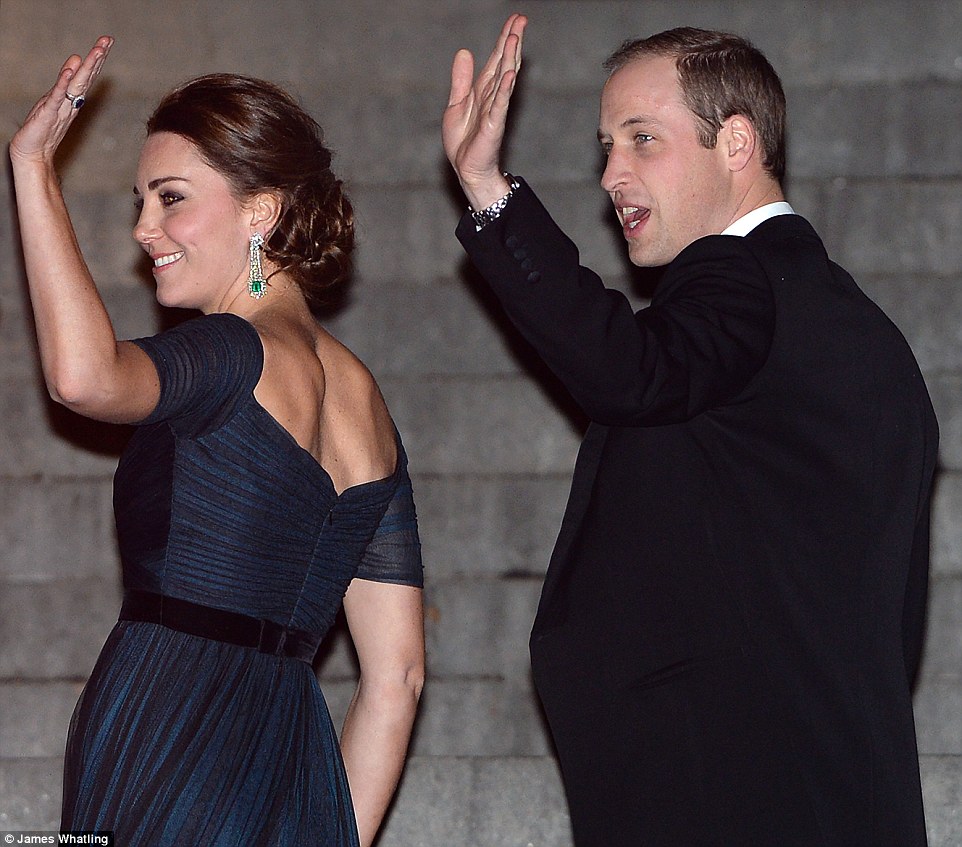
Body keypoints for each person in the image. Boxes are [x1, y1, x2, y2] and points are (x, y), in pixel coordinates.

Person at [444, 15, 938, 846]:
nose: (612, 174)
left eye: (643, 139)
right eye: (607, 147)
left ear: (736, 143)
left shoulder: (742, 278)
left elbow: (627, 369)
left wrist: (489, 189)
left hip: (720, 790)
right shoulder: (860, 334)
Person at [10, 38, 424, 847]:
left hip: (165, 730)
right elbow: (399, 677)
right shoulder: (368, 405)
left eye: (171, 198)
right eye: (140, 201)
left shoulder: (229, 352)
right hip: (292, 760)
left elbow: (84, 377)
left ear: (260, 212)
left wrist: (33, 170)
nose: (143, 228)